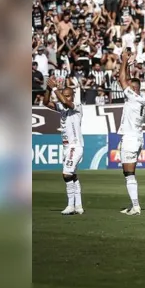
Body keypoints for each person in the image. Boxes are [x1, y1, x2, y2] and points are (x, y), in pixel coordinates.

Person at [116, 49, 145, 216]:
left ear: (132, 88)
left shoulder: (132, 97)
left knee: (129, 174)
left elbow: (122, 80)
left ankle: (135, 207)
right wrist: (128, 65)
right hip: (137, 137)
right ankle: (133, 204)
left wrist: (123, 60)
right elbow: (126, 79)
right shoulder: (141, 98)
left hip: (130, 138)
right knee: (129, 173)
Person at [48, 77, 84, 215]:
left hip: (75, 146)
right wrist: (47, 88)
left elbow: (64, 102)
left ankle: (70, 206)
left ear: (73, 96)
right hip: (67, 147)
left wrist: (55, 89)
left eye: (68, 95)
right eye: (65, 95)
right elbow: (46, 103)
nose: (66, 98)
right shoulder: (63, 109)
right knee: (73, 176)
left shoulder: (77, 107)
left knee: (66, 174)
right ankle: (79, 206)